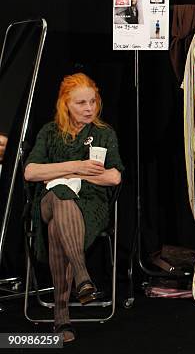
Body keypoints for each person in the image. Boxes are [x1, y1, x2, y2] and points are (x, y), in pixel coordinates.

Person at [24, 73, 124, 343]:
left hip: (90, 206)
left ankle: (61, 316)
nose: (89, 108)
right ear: (65, 103)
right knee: (59, 193)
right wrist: (76, 168)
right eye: (81, 103)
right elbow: (31, 172)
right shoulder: (49, 132)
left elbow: (114, 177)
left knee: (60, 222)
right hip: (47, 201)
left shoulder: (104, 133)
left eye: (92, 101)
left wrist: (62, 175)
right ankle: (82, 275)